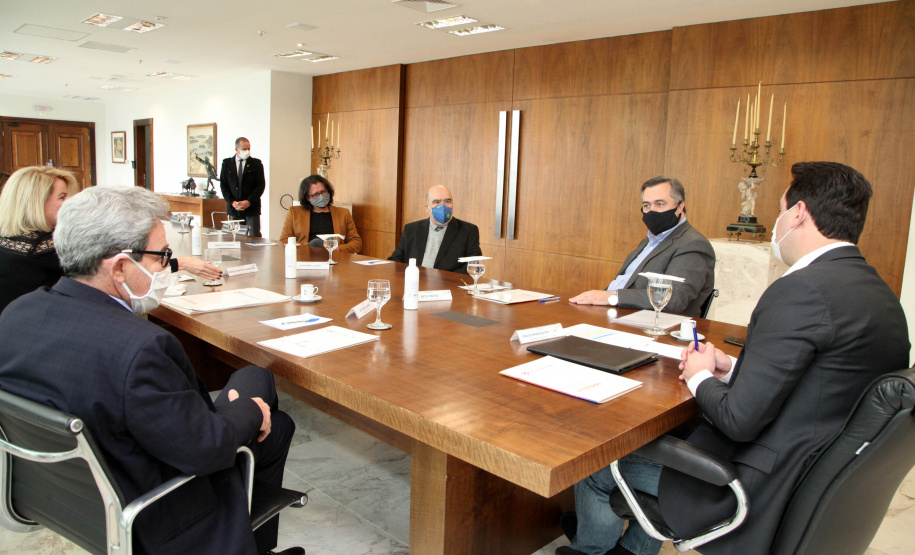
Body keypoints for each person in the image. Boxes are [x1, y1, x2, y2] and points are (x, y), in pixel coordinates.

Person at [561, 162, 909, 555]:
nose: (778, 222)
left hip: (752, 484)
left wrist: (698, 376)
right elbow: (820, 386)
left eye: (780, 210)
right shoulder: (879, 294)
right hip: (810, 475)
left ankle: (590, 550)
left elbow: (737, 421)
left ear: (798, 214)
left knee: (596, 464)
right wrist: (734, 370)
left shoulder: (800, 290)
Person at [0, 187, 303, 555]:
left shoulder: (15, 315)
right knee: (273, 417)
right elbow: (206, 449)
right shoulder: (139, 348)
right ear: (121, 266)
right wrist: (253, 410)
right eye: (162, 257)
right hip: (157, 510)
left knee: (256, 377)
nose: (165, 268)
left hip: (67, 500)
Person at [0, 166, 221, 314]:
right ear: (34, 203)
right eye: (62, 197)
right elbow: (115, 269)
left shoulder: (10, 243)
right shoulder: (46, 251)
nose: (70, 203)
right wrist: (178, 264)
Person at [569, 176, 715, 317]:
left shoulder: (693, 244)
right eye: (646, 205)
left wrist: (611, 297)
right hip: (615, 314)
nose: (651, 211)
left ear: (680, 206)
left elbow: (675, 298)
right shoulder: (651, 239)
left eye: (660, 204)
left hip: (655, 327)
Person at [388, 185, 482, 273]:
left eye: (447, 201)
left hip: (448, 285)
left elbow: (474, 266)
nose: (443, 206)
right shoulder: (411, 229)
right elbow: (396, 260)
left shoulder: (468, 231)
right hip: (415, 281)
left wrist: (442, 280)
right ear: (427, 208)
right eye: (436, 202)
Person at [279, 174, 362, 254]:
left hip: (335, 258)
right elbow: (284, 240)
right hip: (306, 257)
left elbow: (356, 243)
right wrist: (309, 247)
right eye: (316, 194)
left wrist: (337, 249)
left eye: (323, 192)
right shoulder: (294, 212)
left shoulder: (343, 213)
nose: (321, 196)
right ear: (308, 197)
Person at [220, 137, 266, 237]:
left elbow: (260, 186)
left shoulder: (256, 164)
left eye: (248, 148)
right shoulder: (227, 164)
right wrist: (232, 202)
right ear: (237, 149)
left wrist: (248, 202)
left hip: (251, 207)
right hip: (234, 207)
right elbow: (223, 185)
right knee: (236, 236)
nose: (247, 151)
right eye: (244, 149)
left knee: (254, 236)